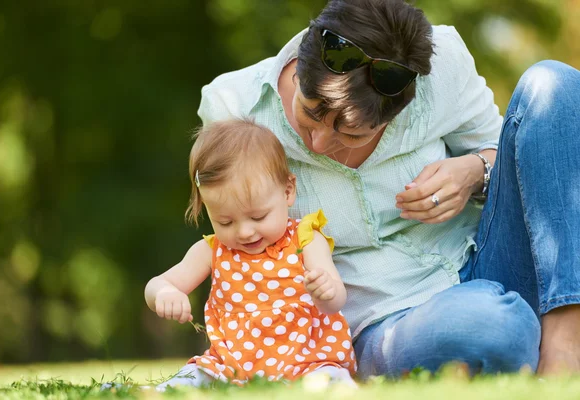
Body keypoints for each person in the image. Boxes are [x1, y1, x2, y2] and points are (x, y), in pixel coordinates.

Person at [193, 0, 580, 378]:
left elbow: (524, 157)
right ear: (298, 72)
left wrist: (474, 169)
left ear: (396, 112)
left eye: (350, 133)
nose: (319, 144)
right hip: (387, 318)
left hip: (487, 257)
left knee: (554, 85)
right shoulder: (233, 106)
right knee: (492, 329)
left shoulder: (444, 66)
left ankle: (564, 339)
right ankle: (514, 335)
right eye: (310, 114)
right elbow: (239, 243)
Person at [145, 119, 357, 388]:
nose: (244, 232)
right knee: (188, 380)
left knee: (326, 382)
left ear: (287, 191)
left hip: (307, 360)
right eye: (225, 222)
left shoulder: (305, 239)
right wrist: (165, 294)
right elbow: (157, 284)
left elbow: (335, 302)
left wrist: (325, 290)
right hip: (231, 365)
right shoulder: (212, 251)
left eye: (258, 216)